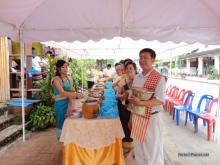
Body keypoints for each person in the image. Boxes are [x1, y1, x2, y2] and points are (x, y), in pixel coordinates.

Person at [128, 48, 166, 165]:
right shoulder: (138, 77)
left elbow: (159, 100)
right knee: (139, 151)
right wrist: (131, 118)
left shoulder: (159, 78)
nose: (142, 60)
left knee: (153, 152)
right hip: (137, 117)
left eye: (145, 57)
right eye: (140, 57)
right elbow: (132, 99)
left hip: (152, 119)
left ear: (153, 60)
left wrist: (141, 103)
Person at [51, 60, 83, 139]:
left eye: (66, 67)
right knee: (61, 123)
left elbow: (71, 89)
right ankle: (61, 141)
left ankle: (68, 142)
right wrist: (75, 95)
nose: (65, 69)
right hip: (60, 104)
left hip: (70, 103)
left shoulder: (69, 78)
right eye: (63, 67)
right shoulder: (55, 79)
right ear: (58, 68)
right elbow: (62, 92)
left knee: (69, 122)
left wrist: (78, 92)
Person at [117, 61, 137, 150]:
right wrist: (121, 96)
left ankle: (132, 145)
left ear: (135, 70)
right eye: (127, 69)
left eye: (131, 68)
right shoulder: (126, 83)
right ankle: (127, 144)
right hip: (126, 107)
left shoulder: (138, 82)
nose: (128, 71)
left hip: (135, 109)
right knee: (125, 126)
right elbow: (123, 95)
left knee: (132, 127)